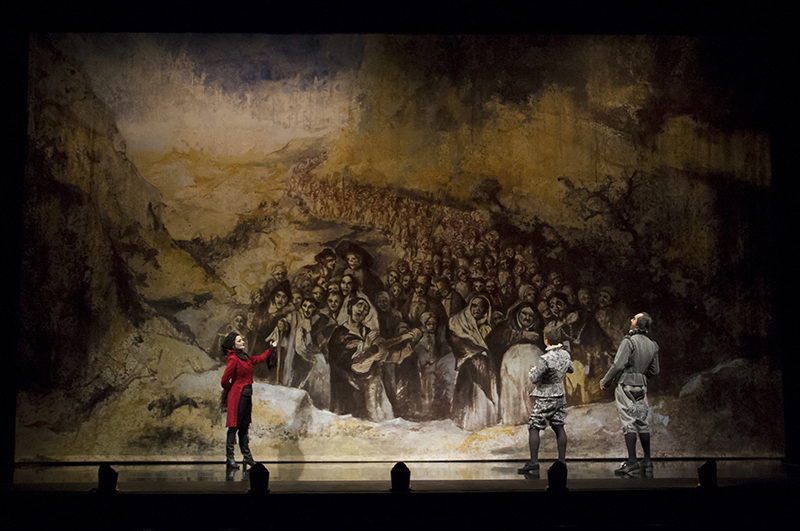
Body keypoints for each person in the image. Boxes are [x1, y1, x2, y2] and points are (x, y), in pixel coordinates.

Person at [599, 312, 660, 477]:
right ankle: (647, 460)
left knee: (628, 423)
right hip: (641, 385)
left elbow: (618, 365)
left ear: (637, 325)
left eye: (633, 318)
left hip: (626, 385)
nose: (631, 320)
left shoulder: (629, 341)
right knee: (642, 423)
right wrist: (641, 376)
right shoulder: (652, 345)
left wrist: (605, 381)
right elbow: (655, 370)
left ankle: (632, 461)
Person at [518, 327, 574, 475]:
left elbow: (534, 378)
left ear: (546, 340)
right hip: (559, 395)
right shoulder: (565, 355)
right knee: (559, 426)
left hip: (545, 396)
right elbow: (571, 369)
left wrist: (533, 369)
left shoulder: (545, 358)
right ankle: (562, 461)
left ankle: (534, 462)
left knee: (534, 426)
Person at [220, 332, 277, 468]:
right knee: (234, 427)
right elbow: (224, 380)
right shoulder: (233, 359)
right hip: (237, 396)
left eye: (242, 340)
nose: (243, 342)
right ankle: (230, 458)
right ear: (233, 345)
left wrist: (270, 349)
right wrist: (231, 390)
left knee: (244, 426)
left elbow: (259, 359)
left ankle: (247, 457)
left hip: (246, 395)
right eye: (239, 341)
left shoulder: (245, 358)